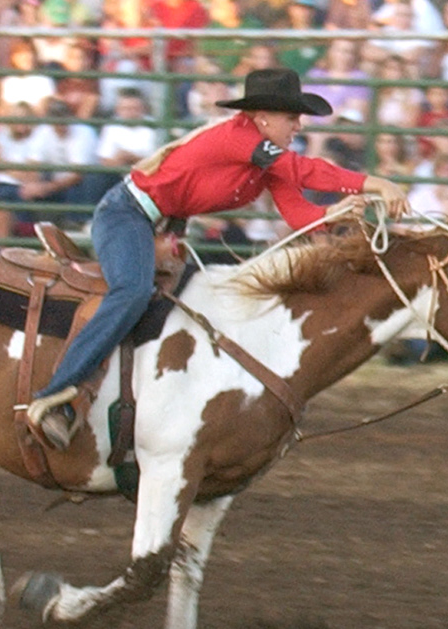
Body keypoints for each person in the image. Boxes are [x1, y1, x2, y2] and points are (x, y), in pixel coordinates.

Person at [24, 67, 410, 448]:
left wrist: (332, 214)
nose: (299, 126)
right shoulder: (239, 138)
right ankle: (58, 395)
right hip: (127, 215)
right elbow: (302, 170)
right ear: (263, 118)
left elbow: (297, 213)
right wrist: (377, 183)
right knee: (132, 291)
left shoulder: (266, 158)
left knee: (179, 303)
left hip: (161, 226)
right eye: (292, 117)